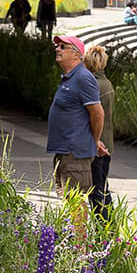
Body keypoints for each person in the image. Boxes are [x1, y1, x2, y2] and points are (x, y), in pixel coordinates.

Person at [47, 34, 108, 241]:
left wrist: (94, 139)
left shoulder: (83, 78)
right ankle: (75, 245)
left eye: (63, 46)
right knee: (69, 200)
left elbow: (97, 113)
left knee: (76, 202)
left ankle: (80, 251)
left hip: (76, 153)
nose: (58, 49)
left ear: (76, 54)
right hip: (65, 151)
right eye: (57, 46)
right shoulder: (70, 78)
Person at [83, 45, 115, 222]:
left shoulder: (92, 85)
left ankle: (104, 231)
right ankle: (108, 230)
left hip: (97, 144)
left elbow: (94, 116)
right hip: (107, 142)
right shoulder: (106, 83)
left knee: (96, 191)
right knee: (102, 188)